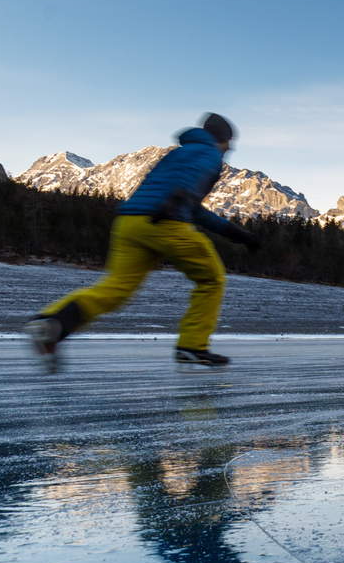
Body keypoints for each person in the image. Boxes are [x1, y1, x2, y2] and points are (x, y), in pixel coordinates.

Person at [23, 115, 262, 371]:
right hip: (165, 221)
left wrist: (237, 234)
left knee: (116, 289)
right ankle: (192, 346)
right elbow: (189, 193)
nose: (230, 148)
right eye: (229, 142)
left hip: (129, 223)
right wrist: (175, 204)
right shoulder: (209, 155)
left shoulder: (178, 153)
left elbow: (193, 206)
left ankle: (52, 322)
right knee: (212, 279)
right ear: (222, 139)